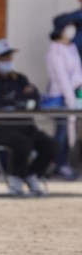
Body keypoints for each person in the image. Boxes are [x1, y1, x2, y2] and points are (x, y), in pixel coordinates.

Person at [0, 38, 57, 196]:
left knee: (51, 145)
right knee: (23, 143)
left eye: (10, 56)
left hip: (26, 125)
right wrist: (19, 98)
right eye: (4, 57)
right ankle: (15, 177)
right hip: (2, 128)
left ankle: (31, 174)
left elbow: (34, 98)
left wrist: (13, 99)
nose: (8, 60)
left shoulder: (20, 79)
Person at [45, 14, 82, 180]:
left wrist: (75, 87)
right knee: (61, 133)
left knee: (69, 133)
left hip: (73, 95)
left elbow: (78, 73)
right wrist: (69, 97)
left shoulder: (72, 47)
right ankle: (57, 164)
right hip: (60, 97)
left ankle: (64, 163)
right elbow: (61, 78)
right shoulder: (54, 50)